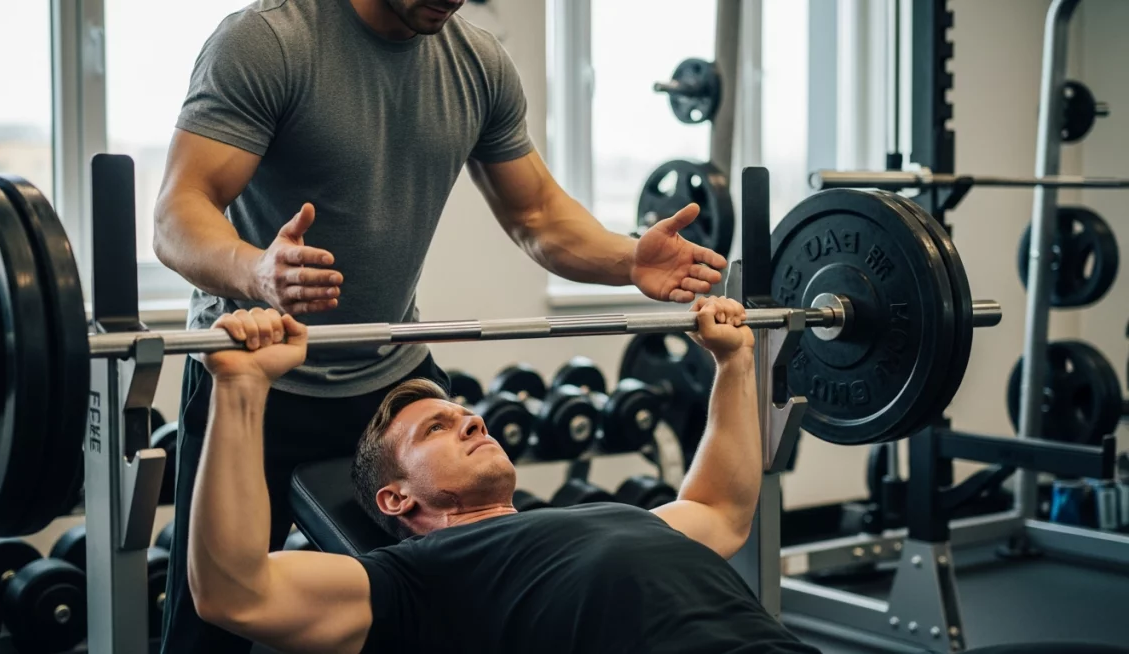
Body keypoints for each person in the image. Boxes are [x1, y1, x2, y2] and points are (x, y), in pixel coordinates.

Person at [153, 0, 729, 650]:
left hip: (393, 384)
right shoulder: (267, 41)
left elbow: (536, 215)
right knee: (215, 626)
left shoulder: (476, 63)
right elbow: (179, 211)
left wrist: (628, 258)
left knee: (430, 618)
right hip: (257, 375)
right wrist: (255, 270)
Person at [187, 297, 820, 654]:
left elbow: (720, 509)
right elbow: (235, 592)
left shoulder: (605, 518)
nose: (473, 424)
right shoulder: (415, 579)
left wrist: (733, 363)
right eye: (436, 428)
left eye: (467, 416)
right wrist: (241, 389)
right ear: (395, 496)